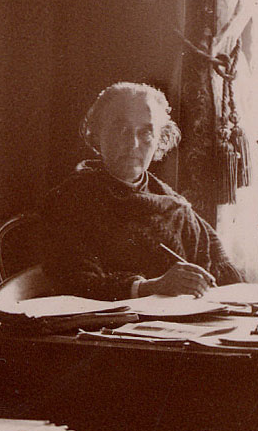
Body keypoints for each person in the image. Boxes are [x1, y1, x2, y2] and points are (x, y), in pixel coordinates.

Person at [42, 81, 243, 301]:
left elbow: (219, 275)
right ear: (97, 133)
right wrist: (151, 286)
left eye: (147, 132)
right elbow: (75, 283)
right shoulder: (69, 201)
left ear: (160, 140)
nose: (133, 143)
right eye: (121, 129)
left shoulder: (174, 205)